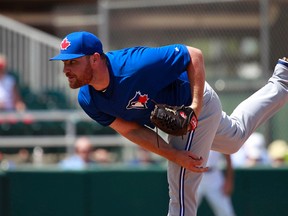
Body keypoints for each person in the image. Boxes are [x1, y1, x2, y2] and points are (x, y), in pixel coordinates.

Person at [50, 31, 288, 216]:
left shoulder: (135, 65)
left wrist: (194, 108)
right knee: (234, 139)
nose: (66, 70)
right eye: (64, 63)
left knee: (182, 192)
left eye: (72, 62)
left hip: (193, 104)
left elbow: (193, 55)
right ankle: (282, 81)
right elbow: (131, 130)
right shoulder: (87, 98)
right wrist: (172, 154)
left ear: (94, 59)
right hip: (181, 120)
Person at [197, 151, 236, 216]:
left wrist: (229, 180)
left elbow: (228, 158)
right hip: (194, 175)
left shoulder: (219, 140)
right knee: (185, 208)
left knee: (226, 212)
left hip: (213, 175)